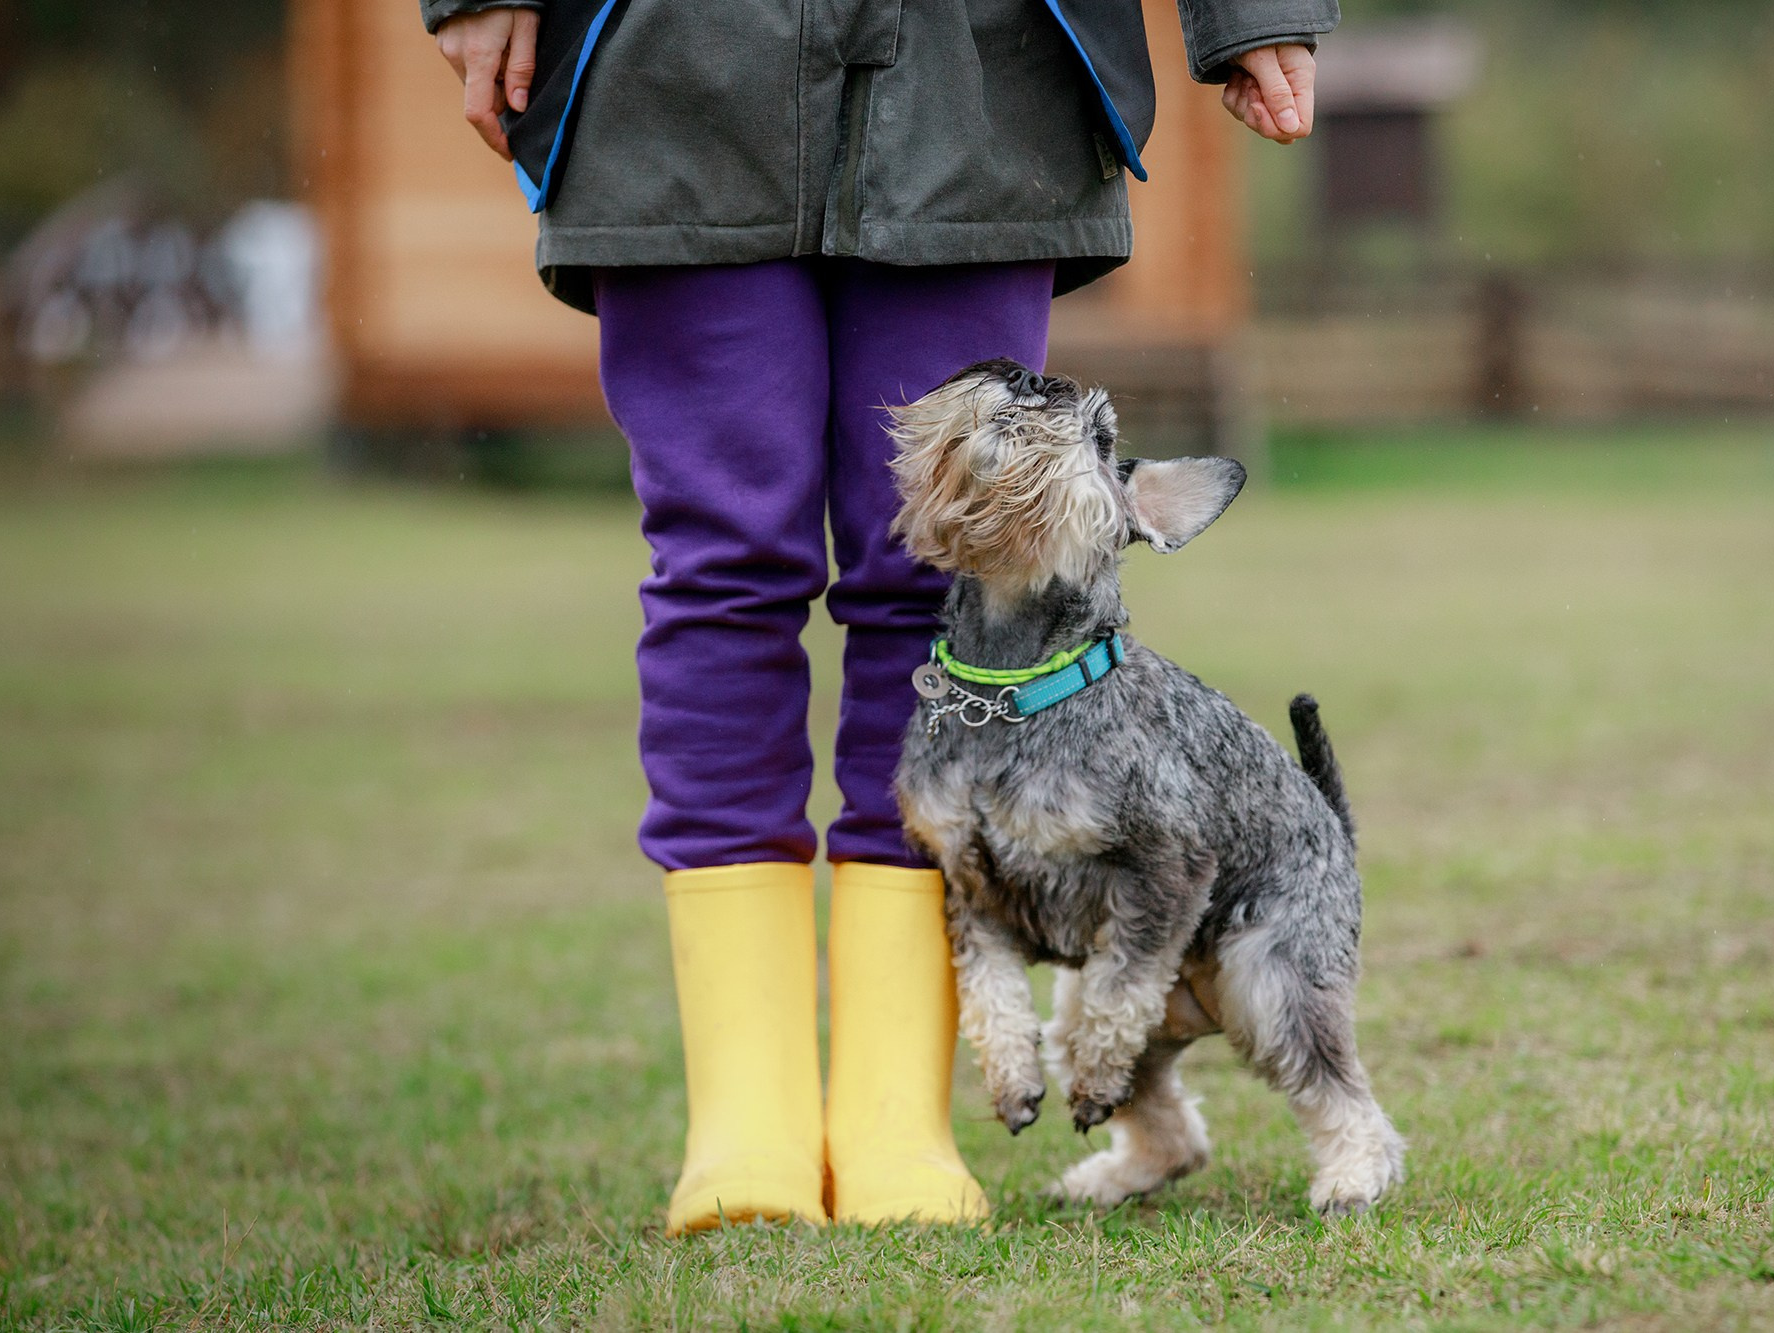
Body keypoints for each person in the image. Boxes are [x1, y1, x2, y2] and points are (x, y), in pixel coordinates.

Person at [421, 0, 1326, 1234]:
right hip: (669, 65)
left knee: (941, 576)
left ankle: (892, 1117)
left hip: (978, 73)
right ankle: (746, 1121)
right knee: (722, 570)